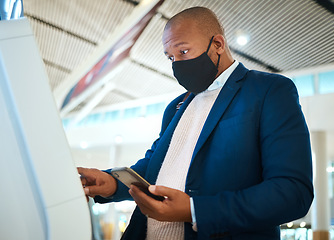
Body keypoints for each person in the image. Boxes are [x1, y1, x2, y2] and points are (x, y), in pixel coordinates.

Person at [78, 6, 313, 240]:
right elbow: (155, 168)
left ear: (218, 44)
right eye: (170, 57)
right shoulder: (176, 106)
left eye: (183, 51)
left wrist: (194, 210)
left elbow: (292, 192)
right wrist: (112, 183)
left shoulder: (268, 91)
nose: (176, 64)